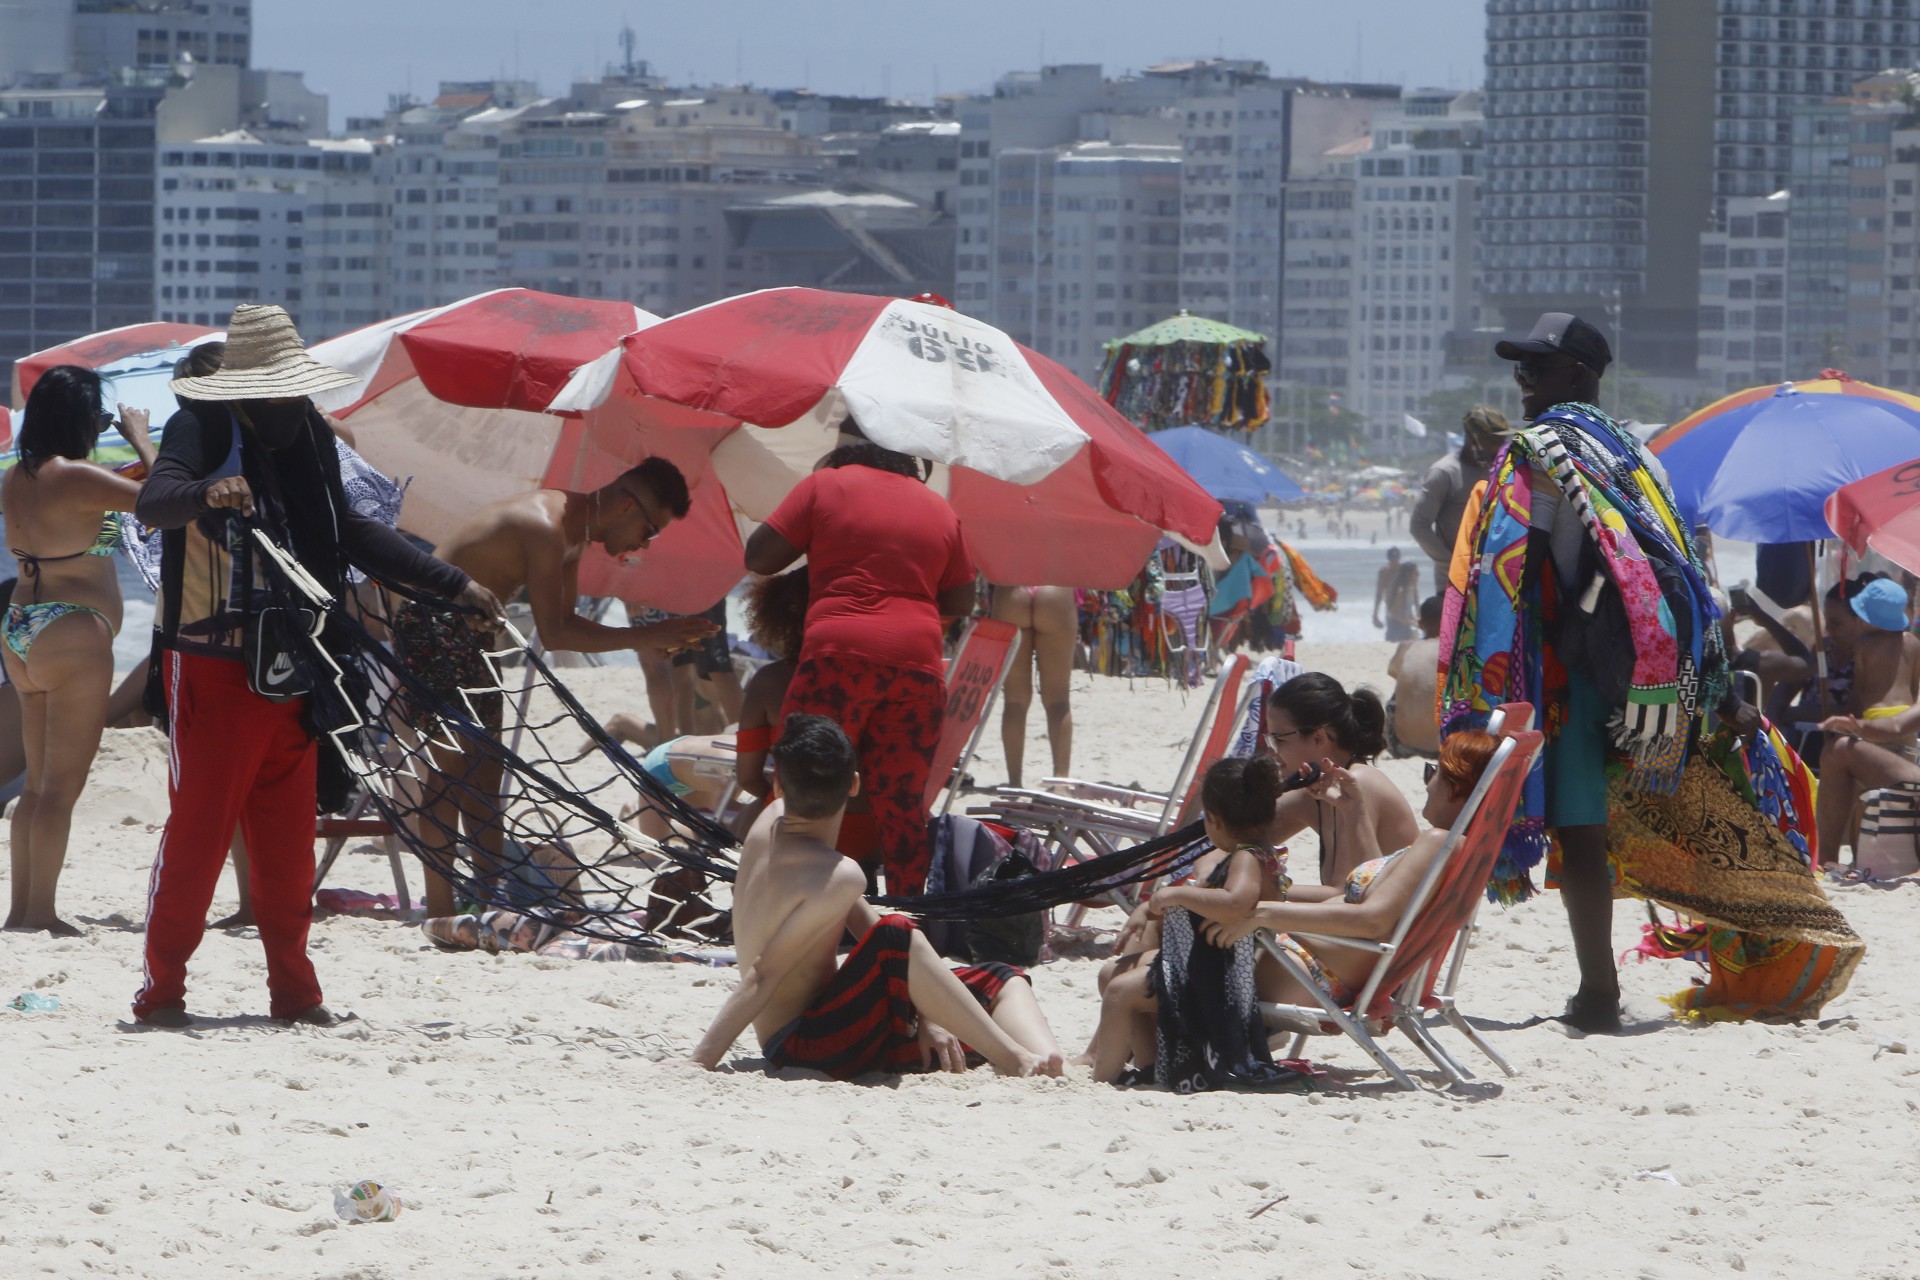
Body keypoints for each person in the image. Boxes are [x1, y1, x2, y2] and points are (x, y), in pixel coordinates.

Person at [130, 304, 499, 1027]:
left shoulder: (306, 434)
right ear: (244, 388)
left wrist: (450, 581)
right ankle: (162, 991)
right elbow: (155, 499)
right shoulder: (200, 428)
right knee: (200, 834)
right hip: (212, 663)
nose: (288, 401)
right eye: (276, 389)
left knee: (288, 839)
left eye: (293, 387)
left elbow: (350, 529)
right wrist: (209, 491)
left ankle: (295, 995)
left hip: (300, 664)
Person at [1441, 312, 1754, 1033]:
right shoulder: (1636, 454)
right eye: (1520, 368)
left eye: (1536, 368)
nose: (1521, 381)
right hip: (1649, 671)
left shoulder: (1545, 453)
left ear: (1577, 375)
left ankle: (1598, 993)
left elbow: (1533, 563)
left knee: (1580, 831)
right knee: (1627, 821)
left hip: (1567, 668)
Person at [397, 457, 714, 919]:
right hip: (432, 625)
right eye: (649, 532)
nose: (642, 545)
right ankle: (442, 913)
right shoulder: (545, 525)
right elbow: (558, 633)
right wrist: (648, 637)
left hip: (472, 633)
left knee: (485, 774)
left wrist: (655, 634)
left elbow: (562, 627)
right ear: (627, 506)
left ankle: (489, 903)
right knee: (449, 776)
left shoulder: (572, 534)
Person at [678, 714, 1061, 1078]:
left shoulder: (770, 823)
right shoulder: (839, 873)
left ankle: (1050, 1064)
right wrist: (701, 1060)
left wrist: (927, 1011)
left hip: (835, 1021)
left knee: (1002, 975)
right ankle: (1013, 1058)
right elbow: (764, 974)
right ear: (855, 784)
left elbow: (865, 925)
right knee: (898, 930)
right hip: (803, 1043)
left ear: (778, 786)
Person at [743, 426, 975, 896]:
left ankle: (789, 898)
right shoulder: (940, 509)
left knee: (805, 783)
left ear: (851, 446)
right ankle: (909, 922)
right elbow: (962, 599)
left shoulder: (826, 485)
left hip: (838, 654)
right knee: (902, 805)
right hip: (918, 663)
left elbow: (760, 557)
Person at [1, 368, 155, 933]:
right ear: (81, 419)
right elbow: (169, 502)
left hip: (21, 626)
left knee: (38, 786)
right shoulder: (79, 476)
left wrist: (115, 485)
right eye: (98, 416)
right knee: (61, 789)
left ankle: (22, 910)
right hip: (73, 631)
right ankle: (42, 912)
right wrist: (141, 438)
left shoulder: (21, 476)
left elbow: (96, 529)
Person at [1203, 730, 1501, 1007]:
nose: (1428, 781)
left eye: (1433, 772)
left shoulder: (1439, 843)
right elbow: (1371, 896)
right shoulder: (1455, 849)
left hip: (1308, 972)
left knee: (1170, 951)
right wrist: (1353, 809)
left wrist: (1263, 914)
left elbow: (1371, 921)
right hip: (1318, 965)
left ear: (1456, 788)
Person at [1086, 755, 1294, 1086]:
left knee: (1118, 992)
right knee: (1115, 972)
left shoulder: (1246, 859)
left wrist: (1177, 896)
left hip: (1219, 978)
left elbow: (1234, 904)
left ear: (1213, 820)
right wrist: (1152, 909)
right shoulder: (1259, 852)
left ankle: (1101, 1079)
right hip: (1211, 963)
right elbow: (1214, 898)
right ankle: (1155, 1065)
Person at [1263, 672, 1419, 889]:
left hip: (1388, 919)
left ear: (1318, 738)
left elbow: (1346, 894)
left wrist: (1261, 892)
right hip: (1365, 917)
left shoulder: (1358, 784)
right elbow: (1242, 836)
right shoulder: (1318, 789)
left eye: (1278, 740)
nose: (1272, 753)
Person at [1810, 577, 1920, 866]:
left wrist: (1849, 722)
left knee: (1838, 754)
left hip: (1878, 728)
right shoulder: (1913, 644)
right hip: (1907, 748)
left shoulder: (1864, 645)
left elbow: (1858, 699)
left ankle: (1827, 859)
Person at [1409, 406, 1512, 593]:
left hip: (1494, 583)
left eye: (1502, 442)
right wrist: (1452, 566)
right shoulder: (1445, 472)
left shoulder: (1502, 472)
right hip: (1454, 586)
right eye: (1492, 441)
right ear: (1473, 438)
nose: (1499, 448)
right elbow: (1419, 526)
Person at [990, 583, 1076, 789]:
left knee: (1013, 701)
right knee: (1058, 701)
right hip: (1055, 588)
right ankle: (1061, 783)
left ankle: (1015, 783)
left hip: (1011, 589)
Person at [1386, 595, 1444, 759]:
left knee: (1395, 697)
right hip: (1443, 742)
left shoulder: (1407, 646)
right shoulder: (1456, 648)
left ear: (1419, 623)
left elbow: (1394, 673)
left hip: (1405, 742)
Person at [1371, 547, 1418, 641]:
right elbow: (1379, 594)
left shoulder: (1405, 571)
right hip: (1392, 613)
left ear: (1399, 558)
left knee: (1409, 640)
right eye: (1392, 560)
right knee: (1393, 640)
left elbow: (1413, 593)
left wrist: (1418, 612)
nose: (1394, 562)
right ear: (1388, 559)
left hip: (1406, 612)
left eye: (1396, 559)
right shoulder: (1384, 572)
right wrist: (1375, 615)